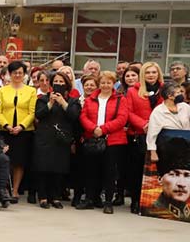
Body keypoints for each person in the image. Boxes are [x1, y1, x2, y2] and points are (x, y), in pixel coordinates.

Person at [77, 71, 129, 213]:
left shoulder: (120, 99)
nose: (105, 85)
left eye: (108, 82)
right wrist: (94, 129)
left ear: (113, 84)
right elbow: (83, 116)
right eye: (103, 82)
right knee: (91, 170)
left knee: (109, 172)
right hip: (92, 139)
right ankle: (89, 199)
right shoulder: (90, 99)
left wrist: (104, 129)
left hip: (113, 140)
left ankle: (108, 202)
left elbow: (122, 118)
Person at [32, 71, 81, 208]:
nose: (58, 84)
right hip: (45, 137)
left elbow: (74, 116)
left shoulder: (73, 101)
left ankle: (55, 196)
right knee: (43, 167)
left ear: (67, 84)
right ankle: (42, 196)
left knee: (58, 168)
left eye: (61, 82)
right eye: (56, 82)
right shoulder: (43, 99)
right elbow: (39, 115)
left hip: (62, 138)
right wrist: (51, 103)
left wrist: (63, 103)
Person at [122, 62, 163, 213]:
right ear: (143, 75)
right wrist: (143, 125)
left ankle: (153, 202)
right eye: (148, 72)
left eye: (154, 72)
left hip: (160, 135)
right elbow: (129, 112)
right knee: (136, 170)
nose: (151, 75)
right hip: (139, 134)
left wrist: (154, 126)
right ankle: (135, 200)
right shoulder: (133, 91)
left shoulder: (164, 90)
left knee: (157, 170)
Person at [0, 61, 38, 202]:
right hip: (5, 130)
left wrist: (21, 126)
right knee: (6, 160)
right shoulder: (2, 90)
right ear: (9, 74)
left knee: (19, 161)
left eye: (20, 72)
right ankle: (4, 188)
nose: (17, 75)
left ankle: (15, 190)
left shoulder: (31, 91)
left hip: (23, 131)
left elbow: (32, 112)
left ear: (24, 74)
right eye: (14, 72)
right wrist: (6, 125)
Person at [149, 138, 190, 220]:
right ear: (160, 179)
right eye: (174, 174)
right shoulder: (154, 210)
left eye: (187, 175)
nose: (181, 184)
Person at [147, 82, 190, 158]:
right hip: (167, 147)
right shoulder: (158, 111)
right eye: (178, 92)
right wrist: (153, 151)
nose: (181, 94)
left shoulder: (185, 107)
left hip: (187, 145)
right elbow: (152, 134)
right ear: (170, 96)